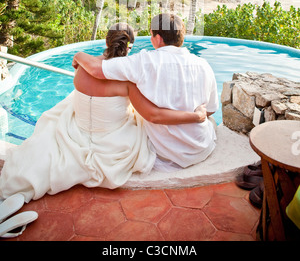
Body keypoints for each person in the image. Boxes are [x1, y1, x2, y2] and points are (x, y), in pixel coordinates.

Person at [0, 23, 205, 203]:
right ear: (129, 47)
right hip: (114, 144)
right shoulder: (127, 81)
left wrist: (80, 55)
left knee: (67, 107)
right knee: (141, 121)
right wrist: (196, 116)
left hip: (77, 131)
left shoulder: (82, 67)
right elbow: (154, 115)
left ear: (106, 42)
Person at [72, 14, 219, 171]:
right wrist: (196, 115)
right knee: (213, 124)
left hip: (167, 152)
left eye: (151, 34)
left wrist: (78, 55)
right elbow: (210, 110)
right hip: (202, 147)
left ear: (158, 38)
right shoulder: (204, 65)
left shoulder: (143, 62)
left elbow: (96, 69)